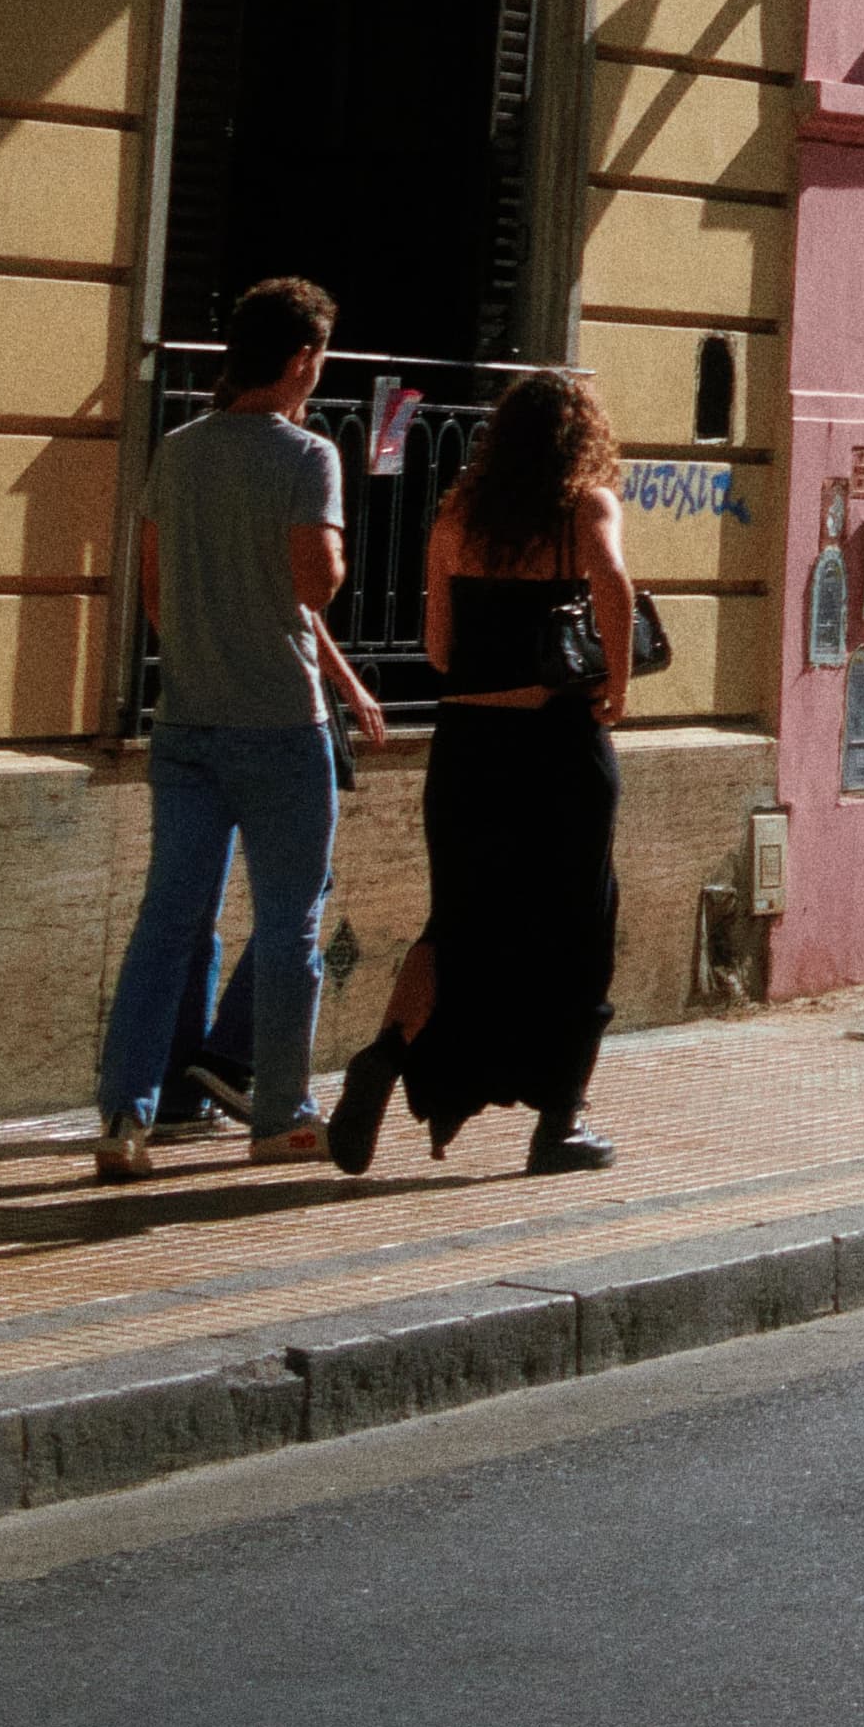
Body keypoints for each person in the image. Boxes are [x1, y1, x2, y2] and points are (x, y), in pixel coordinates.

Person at [90, 275, 386, 1181]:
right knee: (292, 922)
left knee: (165, 923)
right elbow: (316, 582)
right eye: (320, 359)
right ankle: (282, 1113)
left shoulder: (178, 451)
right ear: (301, 359)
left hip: (186, 720)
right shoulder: (307, 456)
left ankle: (122, 1120)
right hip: (280, 724)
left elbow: (152, 586)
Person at [326, 364, 632, 1179]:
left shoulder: (460, 511)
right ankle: (558, 1125)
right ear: (582, 438)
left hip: (468, 746)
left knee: (454, 920)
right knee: (577, 929)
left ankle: (385, 1054)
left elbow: (436, 649)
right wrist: (616, 688)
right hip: (557, 744)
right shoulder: (586, 507)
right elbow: (615, 586)